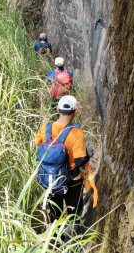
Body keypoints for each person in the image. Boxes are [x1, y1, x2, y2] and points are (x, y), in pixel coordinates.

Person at [35, 95, 89, 223]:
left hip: (50, 179)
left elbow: (38, 147)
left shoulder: (45, 128)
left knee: (55, 215)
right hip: (72, 180)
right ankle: (73, 238)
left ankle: (55, 241)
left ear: (58, 110)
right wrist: (88, 155)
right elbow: (79, 161)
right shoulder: (76, 133)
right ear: (75, 111)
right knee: (73, 214)